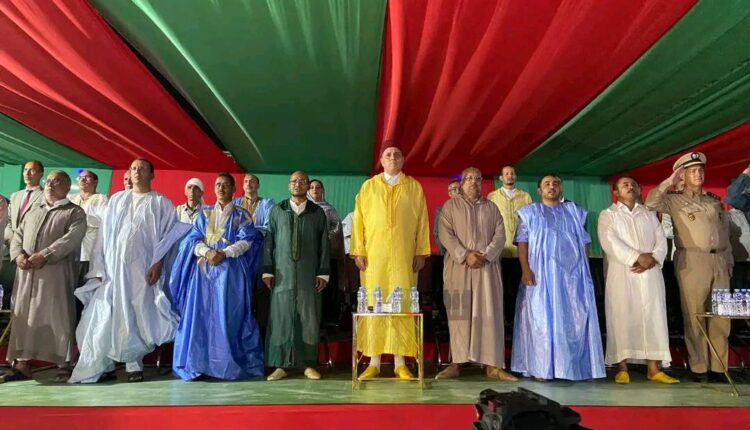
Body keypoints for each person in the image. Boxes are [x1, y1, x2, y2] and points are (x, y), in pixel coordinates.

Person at [70, 159, 190, 383]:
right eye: (133, 168)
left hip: (142, 271)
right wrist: (99, 266)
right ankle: (105, 364)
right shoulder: (117, 200)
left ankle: (134, 364)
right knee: (108, 313)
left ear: (152, 175)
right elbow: (103, 236)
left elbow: (169, 238)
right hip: (114, 269)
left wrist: (158, 263)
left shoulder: (161, 203)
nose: (137, 172)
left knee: (137, 314)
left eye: (142, 169)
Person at [645, 152, 732, 383]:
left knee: (721, 316)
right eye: (692, 171)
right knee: (694, 315)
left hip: (720, 260)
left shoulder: (713, 200)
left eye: (700, 170)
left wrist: (729, 261)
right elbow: (650, 203)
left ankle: (719, 368)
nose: (698, 174)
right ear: (682, 176)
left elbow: (725, 233)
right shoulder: (674, 200)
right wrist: (669, 182)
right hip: (693, 260)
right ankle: (699, 367)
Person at [169, 173, 264, 380]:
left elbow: (248, 240)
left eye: (226, 185)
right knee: (200, 316)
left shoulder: (242, 215)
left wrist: (224, 253)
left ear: (234, 189)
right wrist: (207, 252)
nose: (221, 188)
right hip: (203, 274)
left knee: (227, 316)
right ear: (213, 189)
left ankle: (226, 365)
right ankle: (198, 364)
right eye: (218, 185)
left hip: (230, 273)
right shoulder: (204, 214)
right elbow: (192, 240)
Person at [511, 174, 604, 381]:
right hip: (539, 275)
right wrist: (525, 270)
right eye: (547, 184)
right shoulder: (529, 213)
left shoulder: (574, 212)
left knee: (572, 319)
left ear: (561, 188)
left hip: (571, 277)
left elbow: (584, 242)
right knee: (540, 320)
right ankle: (541, 368)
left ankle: (571, 368)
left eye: (556, 183)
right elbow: (523, 243)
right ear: (539, 190)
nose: (551, 187)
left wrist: (585, 271)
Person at [351, 145, 430, 380]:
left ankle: (400, 362)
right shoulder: (369, 187)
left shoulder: (414, 187)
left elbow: (422, 221)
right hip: (374, 257)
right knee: (374, 302)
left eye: (397, 154)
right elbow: (358, 221)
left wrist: (421, 252)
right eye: (388, 155)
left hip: (404, 256)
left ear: (403, 159)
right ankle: (373, 361)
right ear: (381, 161)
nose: (393, 158)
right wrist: (358, 250)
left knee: (402, 303)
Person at [2, 171, 86, 383]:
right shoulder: (34, 210)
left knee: (57, 316)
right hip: (26, 273)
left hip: (55, 274)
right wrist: (18, 255)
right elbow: (18, 235)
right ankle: (22, 364)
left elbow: (72, 239)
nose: (50, 184)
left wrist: (45, 255)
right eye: (48, 181)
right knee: (24, 316)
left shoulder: (74, 212)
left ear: (67, 187)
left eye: (56, 181)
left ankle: (63, 364)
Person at [436, 167, 517, 381]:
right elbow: (445, 234)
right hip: (459, 267)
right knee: (459, 314)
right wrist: (465, 255)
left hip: (486, 269)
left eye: (477, 179)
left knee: (489, 313)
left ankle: (493, 366)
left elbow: (500, 235)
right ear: (462, 183)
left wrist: (486, 255)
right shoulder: (450, 207)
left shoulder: (492, 207)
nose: (473, 182)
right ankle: (456, 363)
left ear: (482, 183)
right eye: (469, 178)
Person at [598, 176, 677, 385]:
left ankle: (653, 368)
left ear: (640, 190)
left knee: (653, 316)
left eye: (633, 185)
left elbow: (661, 240)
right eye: (625, 185)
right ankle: (622, 367)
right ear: (616, 192)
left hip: (650, 273)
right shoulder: (608, 215)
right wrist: (637, 257)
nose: (630, 187)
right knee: (622, 316)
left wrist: (653, 258)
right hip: (623, 272)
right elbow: (609, 241)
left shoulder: (649, 214)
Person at [262, 171, 330, 381]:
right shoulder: (277, 211)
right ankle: (280, 365)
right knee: (281, 319)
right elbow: (269, 242)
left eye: (302, 181)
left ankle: (308, 365)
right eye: (294, 181)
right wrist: (267, 270)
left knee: (309, 319)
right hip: (282, 276)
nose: (297, 184)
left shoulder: (317, 213)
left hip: (309, 275)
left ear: (308, 186)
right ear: (288, 185)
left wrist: (323, 273)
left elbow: (324, 245)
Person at [234, 173, 276, 338]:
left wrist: (248, 232)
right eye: (245, 181)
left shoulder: (267, 204)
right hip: (240, 255)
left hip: (260, 253)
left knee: (260, 293)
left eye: (252, 181)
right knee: (240, 293)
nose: (248, 183)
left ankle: (261, 336)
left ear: (258, 185)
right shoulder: (235, 203)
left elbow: (269, 227)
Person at [69, 170, 108, 283]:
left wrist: (80, 218)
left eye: (87, 177)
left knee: (83, 285)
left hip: (88, 251)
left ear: (95, 182)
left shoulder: (101, 199)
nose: (83, 179)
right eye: (81, 177)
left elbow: (103, 221)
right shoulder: (71, 198)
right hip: (69, 250)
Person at [487, 166, 533, 258]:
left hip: (521, 244)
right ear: (501, 178)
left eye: (512, 173)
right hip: (500, 245)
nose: (510, 176)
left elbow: (531, 220)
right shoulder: (492, 196)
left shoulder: (525, 196)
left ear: (515, 177)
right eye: (506, 174)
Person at [433, 180, 461, 256]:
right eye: (454, 189)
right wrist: (446, 252)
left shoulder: (470, 210)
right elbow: (437, 234)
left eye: (460, 188)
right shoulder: (441, 211)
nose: (458, 191)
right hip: (448, 254)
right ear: (449, 193)